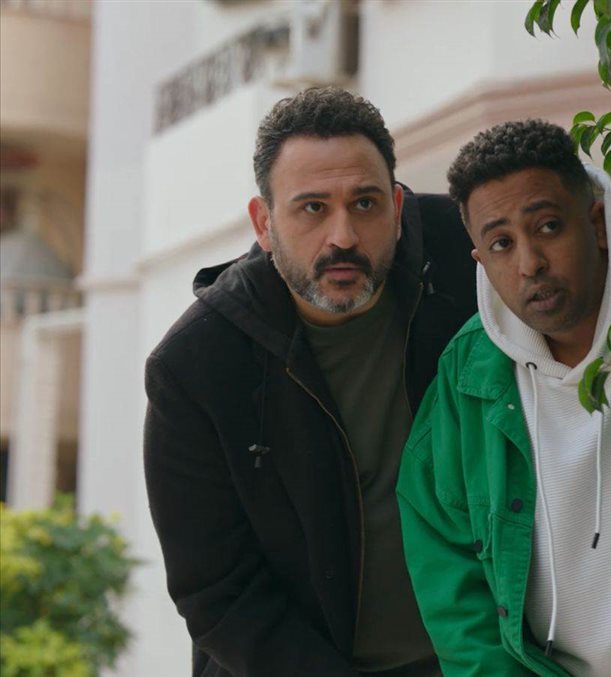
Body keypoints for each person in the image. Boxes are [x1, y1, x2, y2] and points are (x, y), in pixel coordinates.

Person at [143, 87, 476, 676]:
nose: (342, 236)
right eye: (313, 208)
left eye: (365, 204)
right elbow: (216, 592)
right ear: (264, 223)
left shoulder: (466, 255)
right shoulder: (196, 366)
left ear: (398, 208)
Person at [397, 119, 611, 676]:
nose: (529, 263)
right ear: (481, 261)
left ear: (596, 223)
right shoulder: (467, 377)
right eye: (502, 244)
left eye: (547, 227)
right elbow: (450, 578)